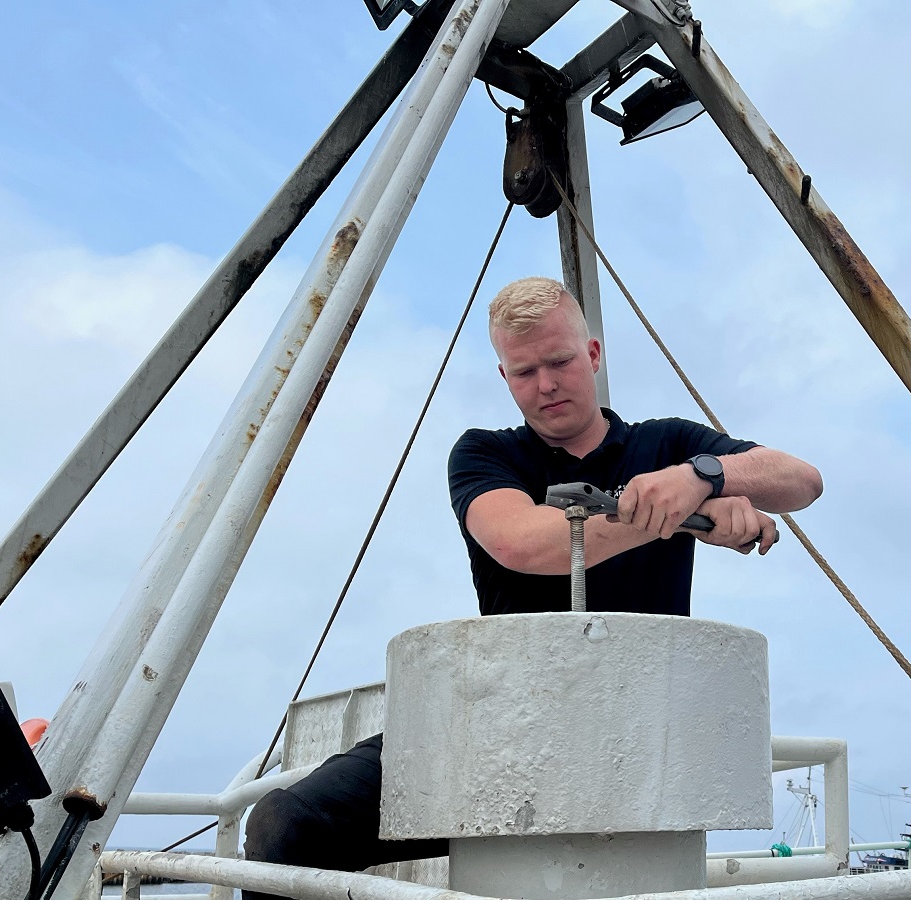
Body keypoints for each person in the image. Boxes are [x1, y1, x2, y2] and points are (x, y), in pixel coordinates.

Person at [242, 277, 821, 895]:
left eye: (560, 361)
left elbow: (801, 480)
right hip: (495, 729)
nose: (545, 384)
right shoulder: (484, 454)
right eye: (524, 372)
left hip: (640, 732)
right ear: (505, 376)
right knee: (287, 827)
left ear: (592, 355)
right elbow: (522, 542)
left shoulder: (669, 446)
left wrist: (701, 476)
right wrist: (677, 513)